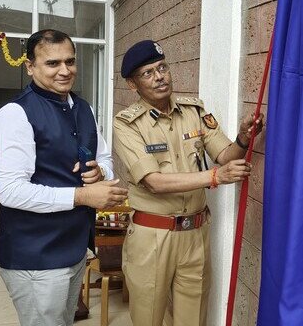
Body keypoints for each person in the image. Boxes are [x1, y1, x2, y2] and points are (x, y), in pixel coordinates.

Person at [113, 40, 264, 326]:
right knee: (149, 319)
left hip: (195, 234)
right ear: (133, 85)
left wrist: (244, 138)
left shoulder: (194, 111)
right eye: (148, 73)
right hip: (152, 236)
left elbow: (224, 154)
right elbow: (154, 182)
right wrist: (215, 177)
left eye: (162, 68)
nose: (159, 77)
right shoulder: (127, 124)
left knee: (193, 320)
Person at [0, 29, 128, 326]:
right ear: (30, 67)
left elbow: (104, 158)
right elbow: (11, 191)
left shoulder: (83, 108)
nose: (65, 71)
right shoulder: (15, 114)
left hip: (75, 248)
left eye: (70, 61)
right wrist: (82, 196)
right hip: (36, 255)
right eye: (53, 63)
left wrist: (100, 172)